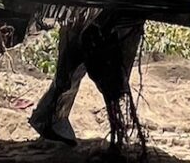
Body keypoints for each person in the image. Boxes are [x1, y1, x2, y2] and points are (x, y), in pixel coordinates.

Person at [29, 12, 144, 144]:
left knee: (76, 76)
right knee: (68, 77)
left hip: (96, 22)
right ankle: (50, 119)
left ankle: (50, 119)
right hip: (88, 22)